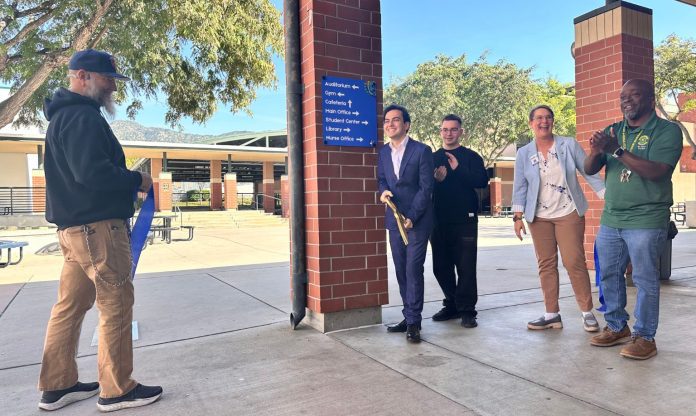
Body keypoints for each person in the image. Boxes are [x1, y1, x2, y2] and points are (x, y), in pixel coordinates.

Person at [38, 49, 162, 412]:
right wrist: (137, 179)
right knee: (116, 304)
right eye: (106, 78)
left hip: (74, 232)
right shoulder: (82, 118)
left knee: (70, 306)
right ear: (81, 76)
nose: (112, 86)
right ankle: (117, 389)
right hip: (97, 231)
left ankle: (58, 385)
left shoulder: (63, 118)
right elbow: (92, 175)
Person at [584, 79, 683, 360]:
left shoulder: (666, 131)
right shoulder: (614, 130)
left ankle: (645, 337)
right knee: (608, 274)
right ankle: (616, 326)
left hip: (647, 217)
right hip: (612, 216)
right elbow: (590, 168)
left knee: (644, 279)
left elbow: (657, 172)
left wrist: (615, 150)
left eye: (633, 95)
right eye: (622, 96)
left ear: (650, 99)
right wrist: (595, 150)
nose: (626, 100)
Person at [512, 104, 605, 332]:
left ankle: (587, 312)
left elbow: (588, 171)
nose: (544, 121)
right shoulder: (524, 153)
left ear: (553, 121)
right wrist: (517, 216)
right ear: (531, 123)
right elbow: (520, 186)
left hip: (568, 212)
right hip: (538, 217)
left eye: (548, 117)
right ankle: (551, 314)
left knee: (573, 261)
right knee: (546, 264)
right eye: (539, 118)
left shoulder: (568, 144)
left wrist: (607, 195)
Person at [378, 104, 434, 343]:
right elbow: (382, 179)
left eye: (396, 120)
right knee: (401, 270)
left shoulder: (422, 151)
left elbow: (426, 187)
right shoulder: (383, 152)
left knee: (413, 269)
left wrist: (412, 215)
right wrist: (383, 192)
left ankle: (413, 322)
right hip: (394, 221)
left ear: (407, 124)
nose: (390, 124)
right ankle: (409, 315)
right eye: (387, 121)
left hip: (417, 222)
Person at [430, 114, 489, 328]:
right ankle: (452, 304)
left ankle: (467, 310)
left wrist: (457, 169)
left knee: (465, 267)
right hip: (438, 220)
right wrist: (437, 181)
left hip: (465, 220)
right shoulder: (433, 157)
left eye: (453, 129)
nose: (449, 133)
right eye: (445, 129)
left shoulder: (471, 157)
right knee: (441, 267)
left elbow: (481, 181)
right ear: (440, 131)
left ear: (461, 132)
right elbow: (426, 187)